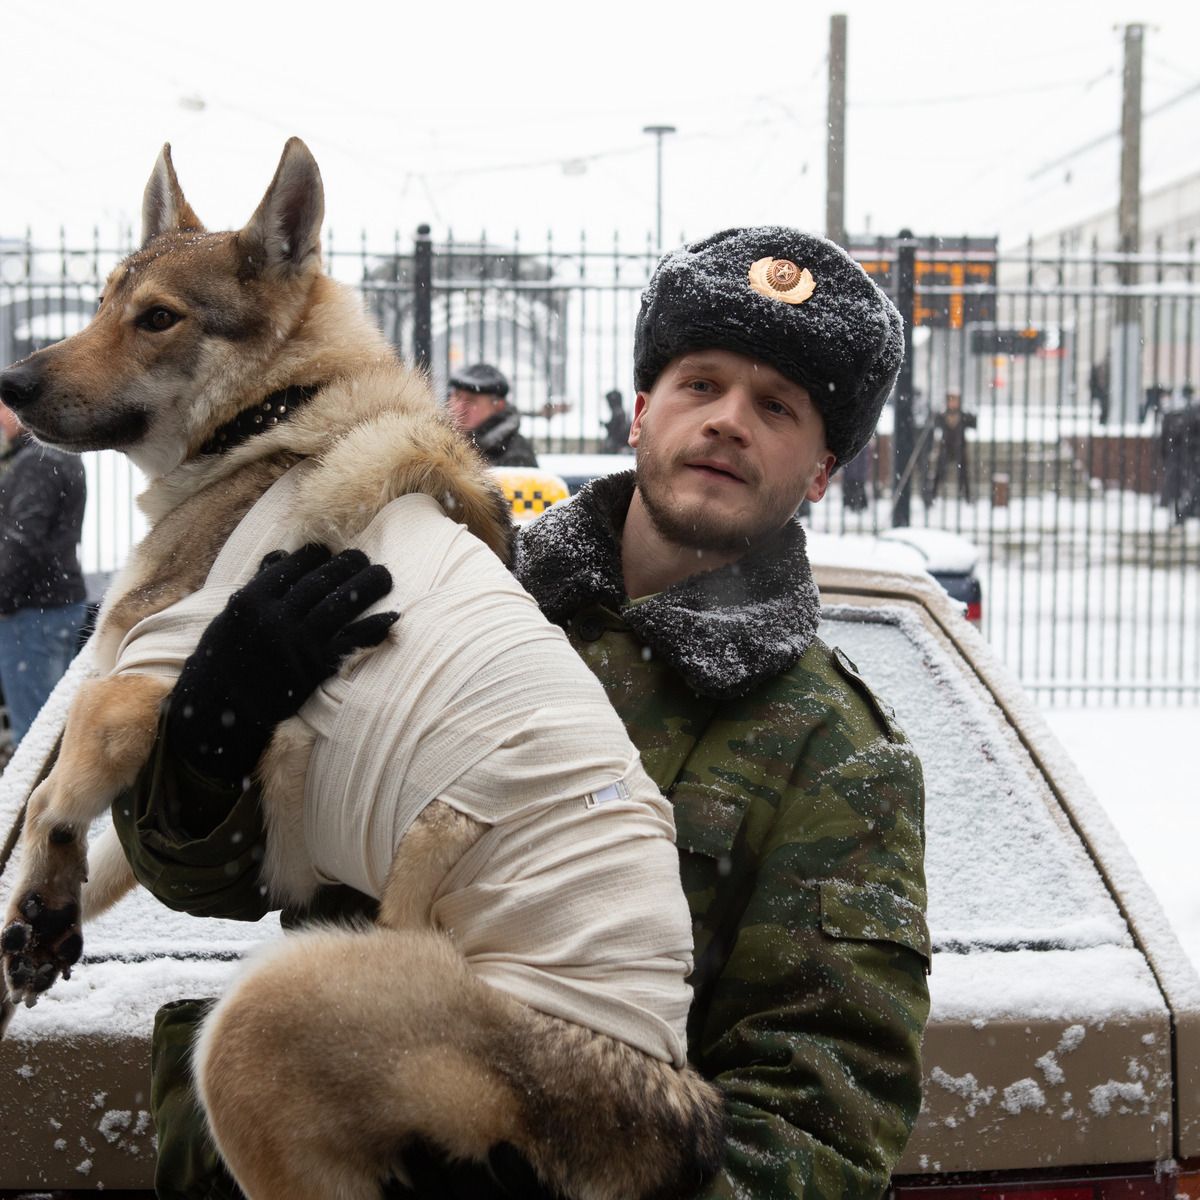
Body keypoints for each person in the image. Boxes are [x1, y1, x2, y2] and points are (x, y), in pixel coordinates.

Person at [112, 226, 929, 1200]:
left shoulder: (835, 755)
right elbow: (206, 882)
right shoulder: (417, 579)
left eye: (777, 407)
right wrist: (212, 735)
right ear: (641, 413)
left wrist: (539, 1178)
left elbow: (816, 1127)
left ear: (823, 473)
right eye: (700, 385)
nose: (727, 422)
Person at [0, 400, 87, 745]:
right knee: (53, 725)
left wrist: (2, 599)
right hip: (54, 605)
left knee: (35, 737)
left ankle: (33, 799)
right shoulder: (54, 455)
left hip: (32, 613)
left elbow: (21, 543)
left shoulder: (37, 463)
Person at [445, 361, 539, 466]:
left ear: (498, 406)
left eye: (471, 400)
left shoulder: (516, 454)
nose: (460, 407)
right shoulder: (435, 442)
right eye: (457, 396)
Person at [927, 389, 977, 503]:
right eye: (950, 400)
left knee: (964, 474)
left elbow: (974, 424)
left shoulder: (964, 415)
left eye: (955, 400)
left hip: (960, 447)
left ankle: (966, 496)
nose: (953, 403)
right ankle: (933, 495)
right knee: (939, 472)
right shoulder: (942, 415)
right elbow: (935, 425)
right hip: (945, 447)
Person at [601, 387, 633, 453]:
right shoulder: (618, 412)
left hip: (618, 443)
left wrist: (605, 425)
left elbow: (615, 429)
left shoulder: (618, 412)